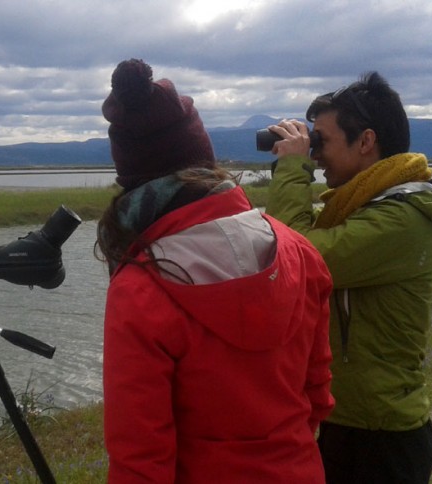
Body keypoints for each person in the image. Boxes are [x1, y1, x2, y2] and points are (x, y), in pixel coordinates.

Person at [97, 58, 335, 483]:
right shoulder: (300, 253)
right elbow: (317, 396)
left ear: (128, 177)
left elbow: (140, 459)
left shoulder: (141, 289)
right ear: (204, 158)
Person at [264, 71, 432, 483]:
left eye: (321, 140)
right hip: (346, 422)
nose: (316, 154)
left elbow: (296, 260)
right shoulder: (358, 208)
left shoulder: (402, 220)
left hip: (382, 437)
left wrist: (292, 167)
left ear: (365, 141)